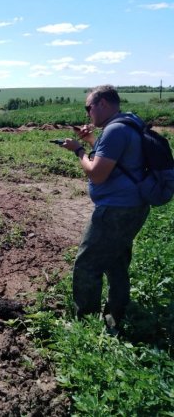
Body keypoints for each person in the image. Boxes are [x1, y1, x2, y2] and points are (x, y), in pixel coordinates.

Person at [61, 84, 150, 334]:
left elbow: (98, 174)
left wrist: (78, 151)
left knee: (87, 263)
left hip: (115, 210)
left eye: (89, 107)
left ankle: (85, 324)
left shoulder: (115, 131)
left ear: (102, 104)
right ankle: (117, 315)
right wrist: (90, 141)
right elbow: (115, 158)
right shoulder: (128, 122)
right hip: (133, 205)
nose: (88, 113)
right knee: (116, 261)